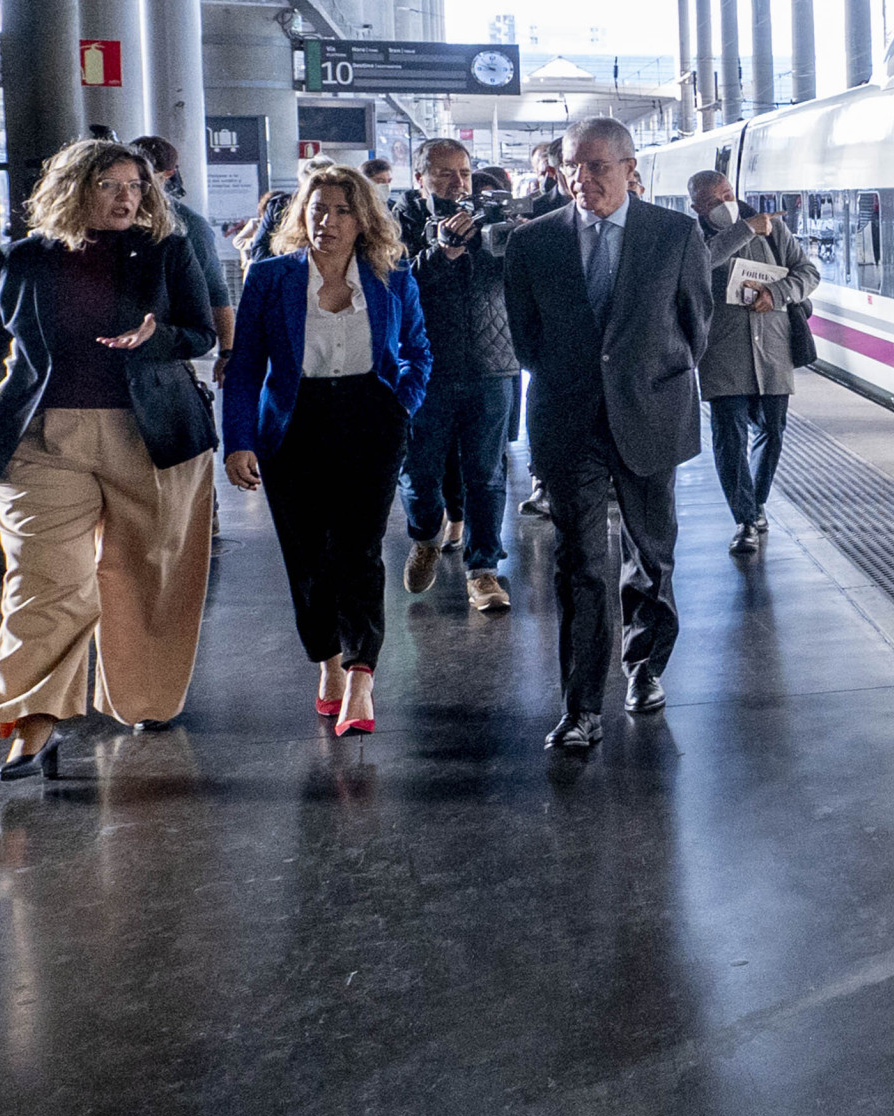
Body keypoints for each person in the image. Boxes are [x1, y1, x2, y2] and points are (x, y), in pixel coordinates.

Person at [0, 138, 222, 779]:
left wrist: (158, 335)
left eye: (136, 186)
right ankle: (33, 722)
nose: (127, 197)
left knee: (147, 576)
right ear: (74, 189)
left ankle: (143, 698)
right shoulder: (19, 260)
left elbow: (201, 331)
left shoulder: (167, 250)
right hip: (42, 440)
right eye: (110, 185)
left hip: (153, 436)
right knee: (45, 583)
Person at [501, 115, 710, 753]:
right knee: (581, 562)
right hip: (569, 423)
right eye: (573, 164)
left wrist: (644, 378)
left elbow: (694, 326)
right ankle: (581, 706)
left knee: (651, 556)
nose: (581, 178)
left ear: (629, 168)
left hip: (649, 414)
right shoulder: (532, 242)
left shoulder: (675, 235)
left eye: (596, 166)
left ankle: (643, 665)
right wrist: (578, 379)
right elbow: (527, 338)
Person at [221, 164, 432, 738]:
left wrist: (400, 405)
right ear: (302, 216)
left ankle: (362, 674)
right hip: (295, 424)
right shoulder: (270, 277)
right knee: (308, 555)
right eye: (318, 210)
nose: (328, 222)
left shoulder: (391, 276)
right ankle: (328, 662)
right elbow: (244, 371)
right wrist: (238, 441)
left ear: (362, 220)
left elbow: (417, 350)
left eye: (342, 211)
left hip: (371, 417)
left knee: (360, 549)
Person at [400, 138, 522, 612]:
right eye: (445, 173)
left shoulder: (492, 218)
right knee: (420, 473)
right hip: (425, 369)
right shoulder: (399, 223)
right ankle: (426, 536)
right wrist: (441, 253)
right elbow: (395, 285)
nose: (458, 182)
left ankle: (484, 571)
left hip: (492, 364)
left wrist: (519, 239)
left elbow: (517, 278)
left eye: (464, 173)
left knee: (486, 475)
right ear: (421, 178)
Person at [691, 169, 819, 556]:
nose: (724, 204)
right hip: (722, 353)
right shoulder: (692, 236)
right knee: (729, 438)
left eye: (727, 194)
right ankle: (744, 519)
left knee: (772, 431)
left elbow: (808, 272)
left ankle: (756, 504)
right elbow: (698, 266)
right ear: (697, 207)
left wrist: (777, 292)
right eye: (713, 201)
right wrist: (744, 230)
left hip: (773, 350)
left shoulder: (774, 230)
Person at [127, 133, 237, 363]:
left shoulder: (185, 227)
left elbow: (215, 291)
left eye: (146, 178)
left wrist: (226, 352)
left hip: (162, 354)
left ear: (166, 175)